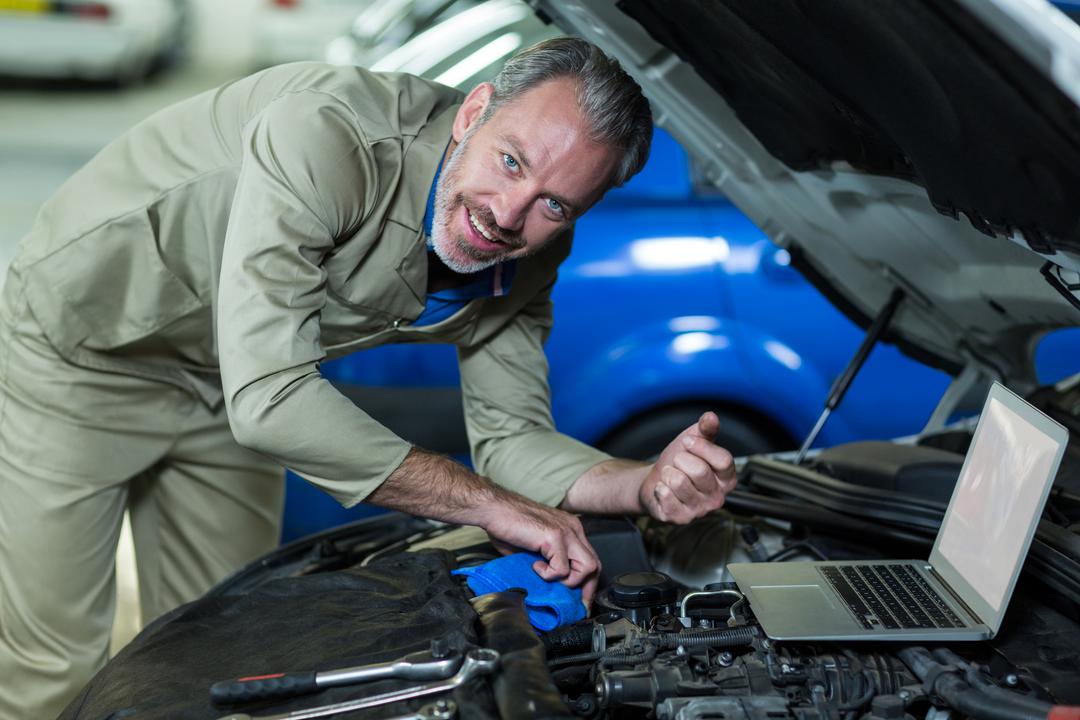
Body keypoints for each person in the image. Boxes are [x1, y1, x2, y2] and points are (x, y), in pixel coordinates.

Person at [0, 38, 737, 718]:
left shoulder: (533, 251)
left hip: (226, 378)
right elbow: (272, 402)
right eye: (511, 160)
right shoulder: (329, 135)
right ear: (473, 112)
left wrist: (640, 484)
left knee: (216, 659)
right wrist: (488, 507)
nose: (508, 214)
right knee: (53, 667)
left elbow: (511, 437)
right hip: (85, 355)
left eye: (554, 203)